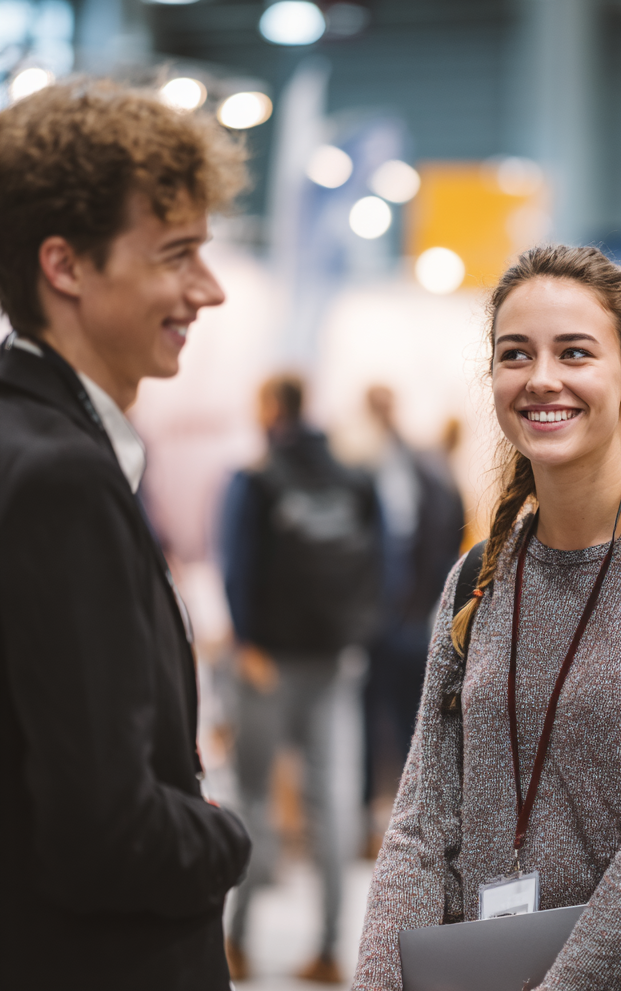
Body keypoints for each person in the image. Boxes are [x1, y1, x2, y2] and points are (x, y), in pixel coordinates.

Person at [354, 245, 621, 990]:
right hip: (473, 969)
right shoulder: (478, 575)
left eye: (574, 353)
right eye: (516, 355)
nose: (542, 378)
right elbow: (420, 823)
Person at [0, 82, 251, 989]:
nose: (209, 289)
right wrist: (225, 833)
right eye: (176, 254)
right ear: (65, 266)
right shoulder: (59, 477)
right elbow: (103, 831)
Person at [220, 374, 381, 984]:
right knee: (333, 803)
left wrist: (245, 640)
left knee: (256, 799)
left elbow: (236, 566)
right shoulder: (352, 475)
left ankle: (238, 942)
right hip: (335, 659)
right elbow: (381, 565)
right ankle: (331, 948)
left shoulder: (256, 478)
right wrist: (354, 638)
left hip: (266, 663)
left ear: (268, 407)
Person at [361, 384, 464, 849]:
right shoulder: (423, 469)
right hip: (413, 617)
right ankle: (401, 821)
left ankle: (392, 820)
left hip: (395, 622)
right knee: (406, 722)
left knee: (389, 722)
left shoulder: (387, 467)